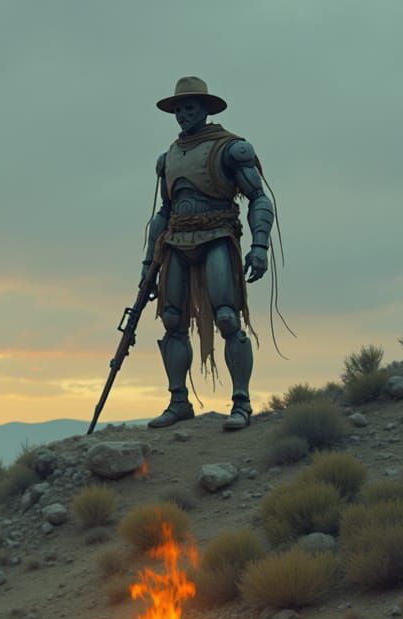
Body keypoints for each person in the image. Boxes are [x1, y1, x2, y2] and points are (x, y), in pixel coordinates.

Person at [143, 76, 274, 431]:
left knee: (228, 317)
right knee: (172, 321)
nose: (183, 114)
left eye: (190, 107)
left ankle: (241, 402)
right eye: (179, 108)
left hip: (217, 235)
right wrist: (147, 267)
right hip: (175, 243)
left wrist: (259, 245)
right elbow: (164, 213)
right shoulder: (167, 158)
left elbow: (259, 198)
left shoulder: (232, 149)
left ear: (204, 109)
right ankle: (178, 400)